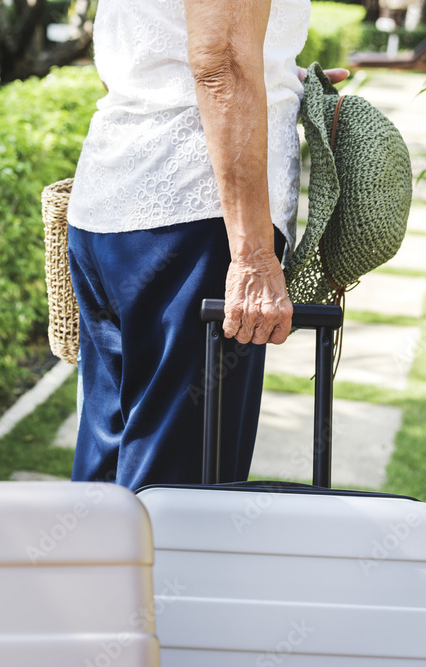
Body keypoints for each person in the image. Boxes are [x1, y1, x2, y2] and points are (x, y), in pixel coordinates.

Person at [66, 0, 348, 490]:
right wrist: (254, 256)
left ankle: (96, 568)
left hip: (112, 210)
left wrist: (278, 75)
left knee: (110, 474)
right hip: (196, 221)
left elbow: (143, 53)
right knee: (179, 495)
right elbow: (222, 65)